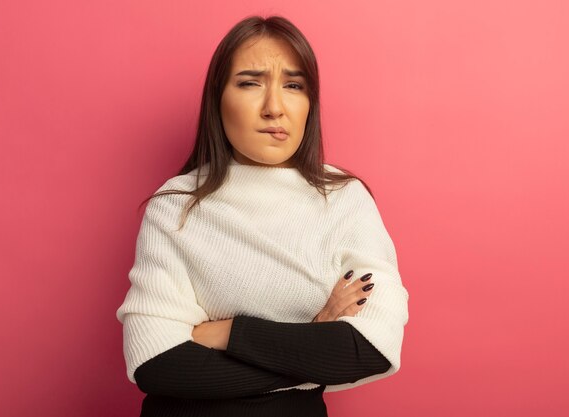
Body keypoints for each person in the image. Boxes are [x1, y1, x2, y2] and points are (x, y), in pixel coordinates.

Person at [116, 15, 410, 417]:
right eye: (250, 83)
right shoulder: (177, 203)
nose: (274, 108)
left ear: (311, 102)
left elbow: (370, 349)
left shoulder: (343, 199)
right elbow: (157, 365)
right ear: (218, 98)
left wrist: (228, 333)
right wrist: (314, 338)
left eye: (293, 86)